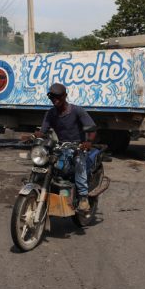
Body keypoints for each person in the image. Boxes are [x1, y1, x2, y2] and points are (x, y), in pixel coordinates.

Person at [39, 82, 96, 211]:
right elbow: (43, 131)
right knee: (46, 162)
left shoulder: (77, 111)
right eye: (52, 97)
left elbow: (92, 129)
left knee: (79, 162)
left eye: (58, 97)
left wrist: (88, 142)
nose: (55, 100)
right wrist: (35, 136)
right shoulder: (50, 113)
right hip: (61, 147)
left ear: (65, 96)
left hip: (78, 147)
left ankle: (83, 197)